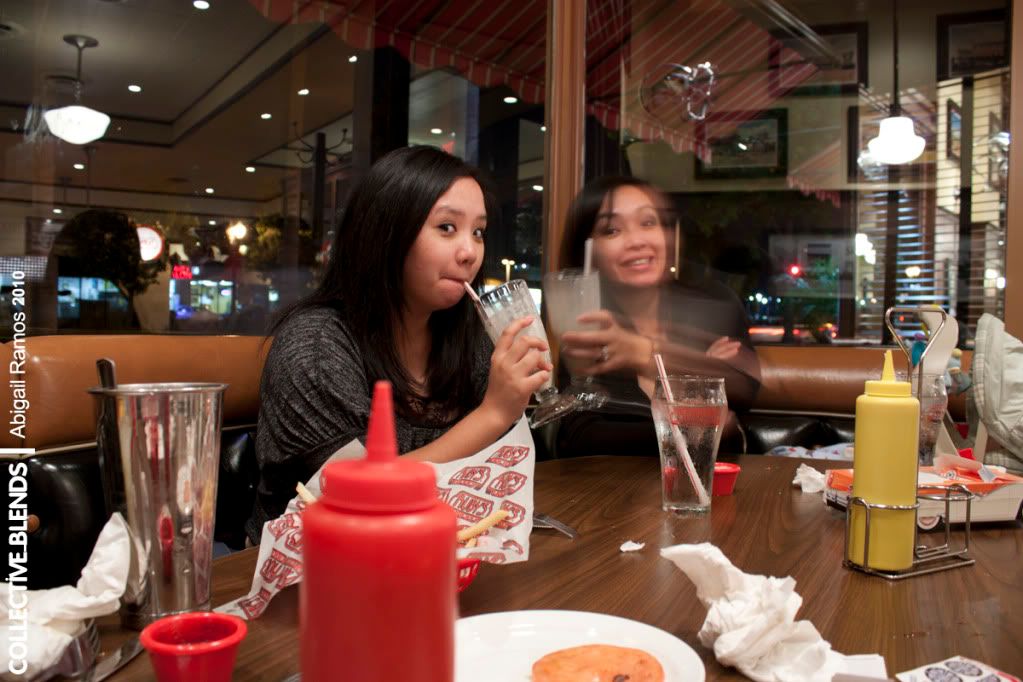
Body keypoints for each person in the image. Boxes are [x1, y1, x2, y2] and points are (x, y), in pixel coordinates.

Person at [247, 146, 551, 542]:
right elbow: (359, 495)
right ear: (385, 233)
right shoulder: (316, 347)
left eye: (478, 232)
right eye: (447, 227)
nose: (470, 253)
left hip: (436, 551)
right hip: (308, 563)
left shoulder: (469, 338)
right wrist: (493, 413)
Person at [553, 176, 761, 457]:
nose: (637, 241)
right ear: (589, 252)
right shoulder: (589, 325)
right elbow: (579, 438)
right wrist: (694, 414)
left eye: (648, 223)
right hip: (615, 485)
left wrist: (645, 355)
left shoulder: (714, 304)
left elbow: (744, 388)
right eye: (612, 230)